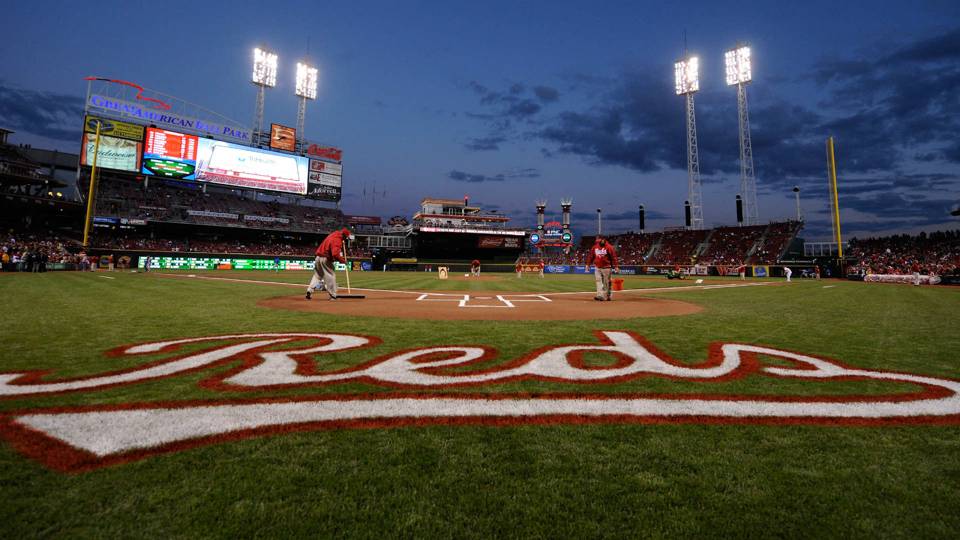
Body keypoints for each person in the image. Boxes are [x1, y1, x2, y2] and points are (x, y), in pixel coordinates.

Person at [306, 227, 353, 300]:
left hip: (318, 257)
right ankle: (333, 295)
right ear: (344, 236)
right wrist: (343, 261)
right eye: (346, 237)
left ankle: (309, 290)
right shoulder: (337, 240)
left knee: (317, 275)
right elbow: (335, 254)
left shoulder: (334, 234)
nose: (346, 239)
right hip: (326, 258)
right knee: (330, 275)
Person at [586, 235, 620, 301]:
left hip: (607, 268)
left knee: (607, 282)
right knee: (598, 281)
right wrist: (588, 265)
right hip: (597, 267)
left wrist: (616, 266)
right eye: (597, 240)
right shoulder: (595, 247)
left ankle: (608, 296)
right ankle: (600, 295)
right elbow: (590, 256)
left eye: (599, 240)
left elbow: (614, 257)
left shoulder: (609, 247)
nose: (598, 241)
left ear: (603, 239)